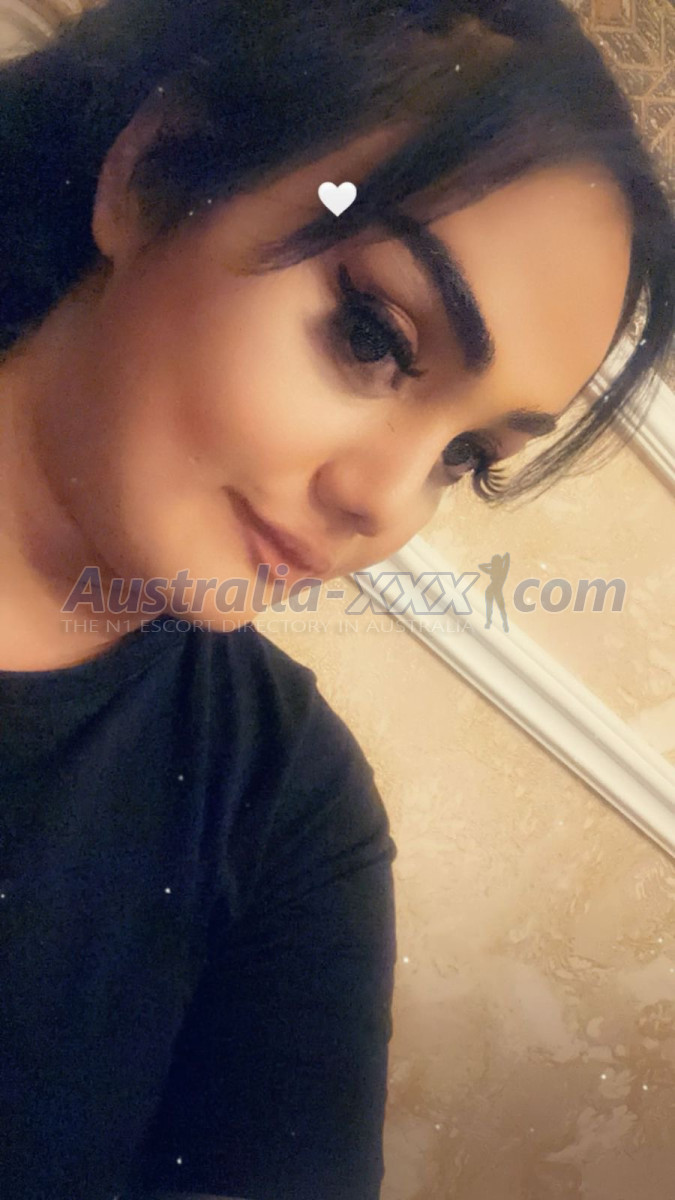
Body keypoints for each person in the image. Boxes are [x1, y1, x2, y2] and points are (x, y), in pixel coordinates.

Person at [0, 1, 672, 1198]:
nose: (385, 504)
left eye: (465, 456)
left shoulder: (289, 814)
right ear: (153, 171)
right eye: (374, 336)